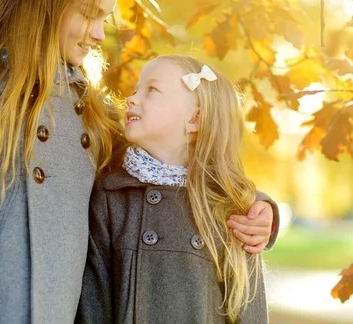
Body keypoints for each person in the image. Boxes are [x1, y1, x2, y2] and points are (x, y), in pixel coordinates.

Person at [0, 0, 276, 324]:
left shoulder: (91, 111)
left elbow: (171, 166)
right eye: (89, 14)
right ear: (45, 4)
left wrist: (258, 208)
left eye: (104, 18)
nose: (101, 34)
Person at [77, 55, 278, 323]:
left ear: (194, 120)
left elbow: (249, 310)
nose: (132, 98)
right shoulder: (112, 196)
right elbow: (94, 305)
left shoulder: (231, 211)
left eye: (152, 90)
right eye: (136, 89)